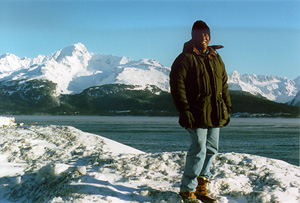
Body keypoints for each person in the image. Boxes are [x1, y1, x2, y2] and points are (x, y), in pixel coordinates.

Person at [169, 20, 232, 202]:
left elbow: (224, 85)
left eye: (206, 34)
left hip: (216, 112)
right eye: (199, 35)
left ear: (209, 36)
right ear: (193, 37)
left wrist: (227, 108)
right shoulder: (184, 59)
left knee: (212, 149)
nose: (203, 38)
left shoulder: (216, 58)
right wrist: (184, 110)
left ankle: (201, 186)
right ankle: (187, 190)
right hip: (195, 112)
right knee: (198, 148)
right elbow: (177, 86)